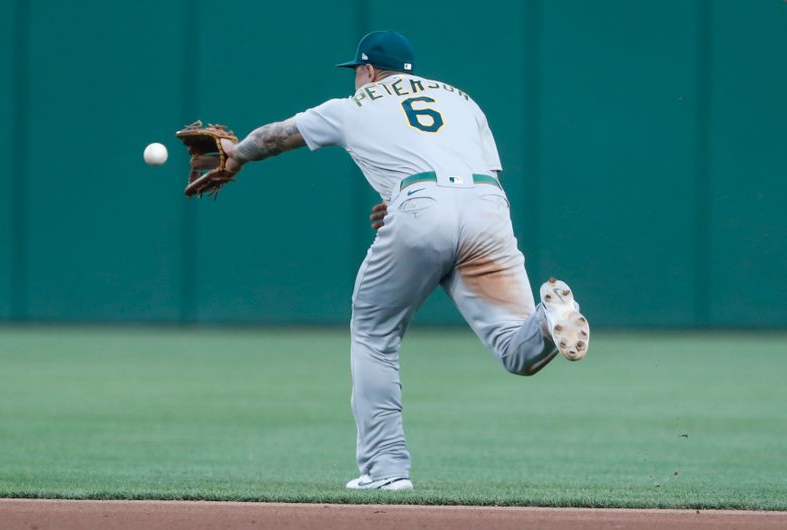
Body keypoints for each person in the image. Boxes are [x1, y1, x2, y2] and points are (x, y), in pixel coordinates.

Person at [220, 30, 590, 491]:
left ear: (369, 70)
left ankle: (386, 470)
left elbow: (275, 137)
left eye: (356, 70)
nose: (356, 78)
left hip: (420, 206)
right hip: (486, 207)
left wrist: (236, 156)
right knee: (516, 352)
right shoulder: (463, 100)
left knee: (375, 334)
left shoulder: (353, 105)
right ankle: (550, 316)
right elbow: (478, 174)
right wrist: (409, 201)